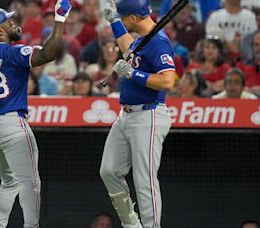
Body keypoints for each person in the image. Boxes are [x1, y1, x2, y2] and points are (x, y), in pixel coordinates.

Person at [0, 1, 72, 227]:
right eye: (9, 21)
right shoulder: (12, 52)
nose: (15, 23)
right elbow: (49, 53)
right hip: (11, 124)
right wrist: (59, 19)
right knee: (31, 183)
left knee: (8, 183)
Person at [100, 0, 175, 227]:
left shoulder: (159, 42)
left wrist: (133, 74)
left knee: (145, 180)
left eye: (123, 17)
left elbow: (168, 80)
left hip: (148, 115)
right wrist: (114, 21)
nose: (122, 20)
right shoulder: (142, 40)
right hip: (126, 115)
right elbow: (128, 48)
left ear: (133, 17)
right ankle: (131, 223)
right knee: (109, 171)